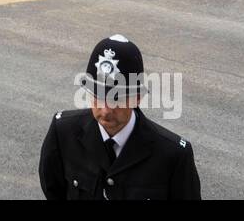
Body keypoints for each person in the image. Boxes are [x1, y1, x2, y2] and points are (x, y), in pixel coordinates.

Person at [38, 35, 200, 200]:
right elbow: (53, 190)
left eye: (116, 98)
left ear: (137, 97)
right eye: (98, 95)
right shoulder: (63, 132)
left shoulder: (173, 156)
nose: (106, 110)